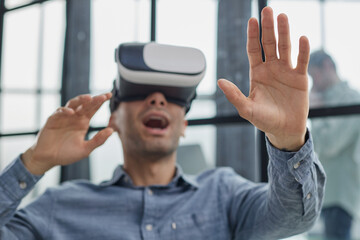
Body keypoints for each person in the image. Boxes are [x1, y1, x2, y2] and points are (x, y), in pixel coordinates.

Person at [0, 7, 325, 240]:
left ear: (183, 124)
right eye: (140, 92)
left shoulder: (224, 194)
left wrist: (289, 141)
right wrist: (33, 163)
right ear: (113, 118)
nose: (157, 100)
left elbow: (294, 217)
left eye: (173, 97)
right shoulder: (59, 207)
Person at [309, 50, 360, 240]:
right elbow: (315, 147)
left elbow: (330, 144)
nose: (314, 83)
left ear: (328, 66)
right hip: (324, 194)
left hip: (340, 194)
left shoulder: (351, 99)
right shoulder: (325, 98)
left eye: (315, 75)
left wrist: (316, 112)